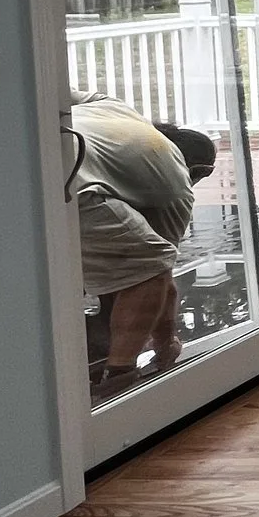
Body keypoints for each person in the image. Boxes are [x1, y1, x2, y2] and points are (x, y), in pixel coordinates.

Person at [64, 92, 213, 395]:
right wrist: (166, 343)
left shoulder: (111, 105)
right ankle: (118, 376)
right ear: (199, 172)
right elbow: (159, 278)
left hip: (23, 167)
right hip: (73, 187)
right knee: (151, 267)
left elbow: (55, 90)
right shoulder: (177, 182)